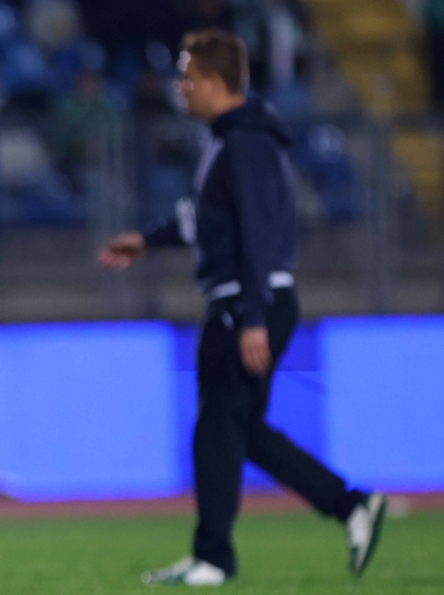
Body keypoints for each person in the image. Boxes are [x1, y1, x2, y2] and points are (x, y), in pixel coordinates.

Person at [99, 29, 386, 586]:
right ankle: (350, 505)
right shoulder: (234, 140)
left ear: (214, 82)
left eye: (187, 76)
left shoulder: (244, 144)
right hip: (249, 299)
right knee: (240, 430)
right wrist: (148, 240)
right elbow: (208, 221)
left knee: (216, 429)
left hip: (245, 301)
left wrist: (253, 316)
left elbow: (257, 232)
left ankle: (213, 558)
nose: (180, 87)